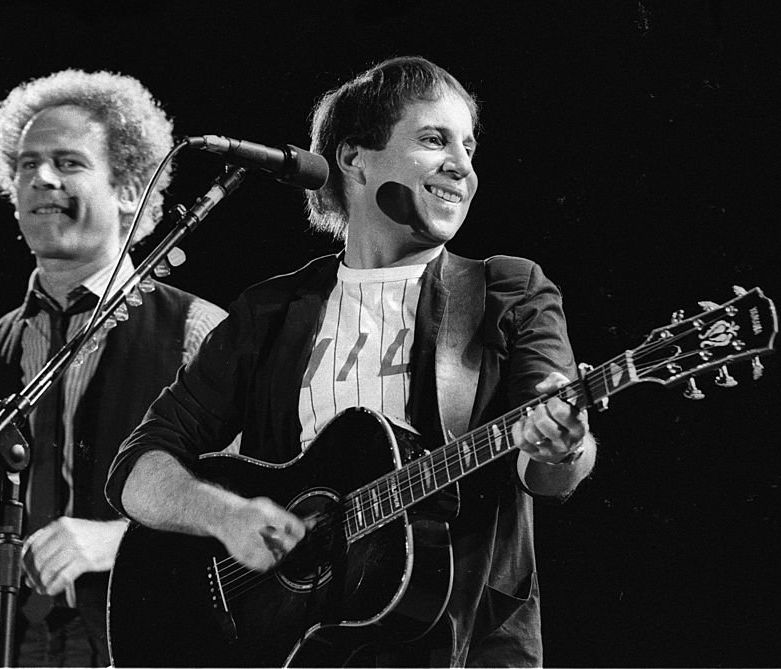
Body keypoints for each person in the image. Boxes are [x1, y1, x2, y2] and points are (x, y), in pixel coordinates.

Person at [104, 56, 597, 667]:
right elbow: (136, 469)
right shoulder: (273, 312)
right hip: (295, 648)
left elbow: (550, 471)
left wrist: (563, 445)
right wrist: (224, 514)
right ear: (354, 158)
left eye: (470, 146)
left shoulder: (507, 290)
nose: (463, 167)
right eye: (434, 139)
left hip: (463, 644)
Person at [0, 69, 226, 666]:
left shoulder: (199, 332)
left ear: (127, 186)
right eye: (27, 164)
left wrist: (119, 542)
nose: (41, 178)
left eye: (68, 162)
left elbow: (249, 513)